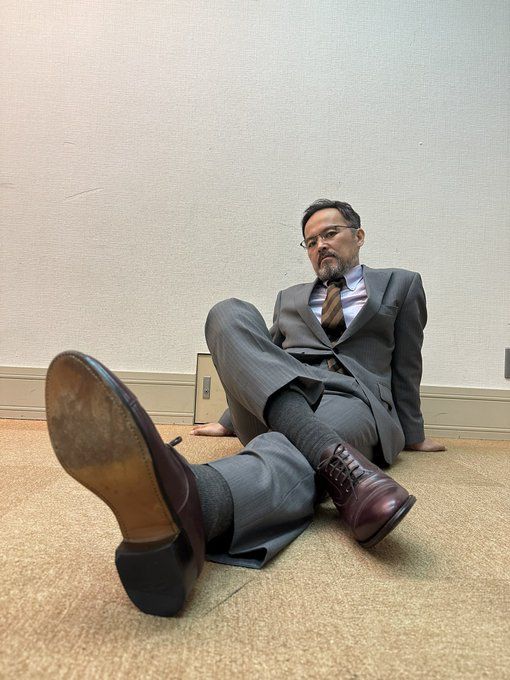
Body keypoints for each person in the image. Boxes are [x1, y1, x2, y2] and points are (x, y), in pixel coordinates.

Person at [45, 199, 445, 618]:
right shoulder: (289, 298)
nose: (320, 246)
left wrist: (412, 433)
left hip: (351, 398)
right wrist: (228, 421)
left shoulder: (400, 284)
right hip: (288, 391)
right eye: (310, 242)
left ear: (358, 236)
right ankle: (335, 461)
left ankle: (197, 497)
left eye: (330, 234)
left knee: (287, 448)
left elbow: (406, 365)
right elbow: (260, 357)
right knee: (227, 313)